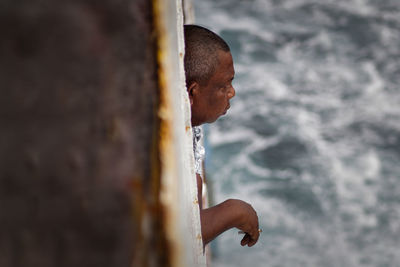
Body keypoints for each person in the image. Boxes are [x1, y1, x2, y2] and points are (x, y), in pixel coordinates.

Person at [184, 25, 260, 247]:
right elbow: (185, 232)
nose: (232, 92)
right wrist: (235, 212)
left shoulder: (192, 123)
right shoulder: (174, 149)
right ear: (192, 92)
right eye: (224, 85)